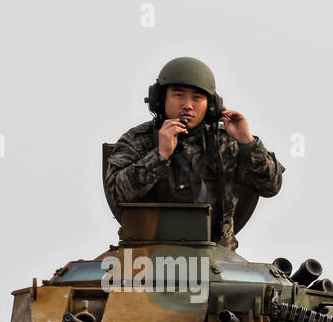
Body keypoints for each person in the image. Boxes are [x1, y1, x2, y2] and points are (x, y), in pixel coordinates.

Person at [105, 57, 284, 250]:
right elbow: (116, 194)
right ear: (160, 99)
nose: (188, 105)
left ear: (212, 105)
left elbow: (270, 186)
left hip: (215, 257)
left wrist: (247, 142)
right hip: (146, 256)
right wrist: (160, 155)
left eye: (197, 98)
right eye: (178, 95)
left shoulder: (225, 142)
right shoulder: (137, 140)